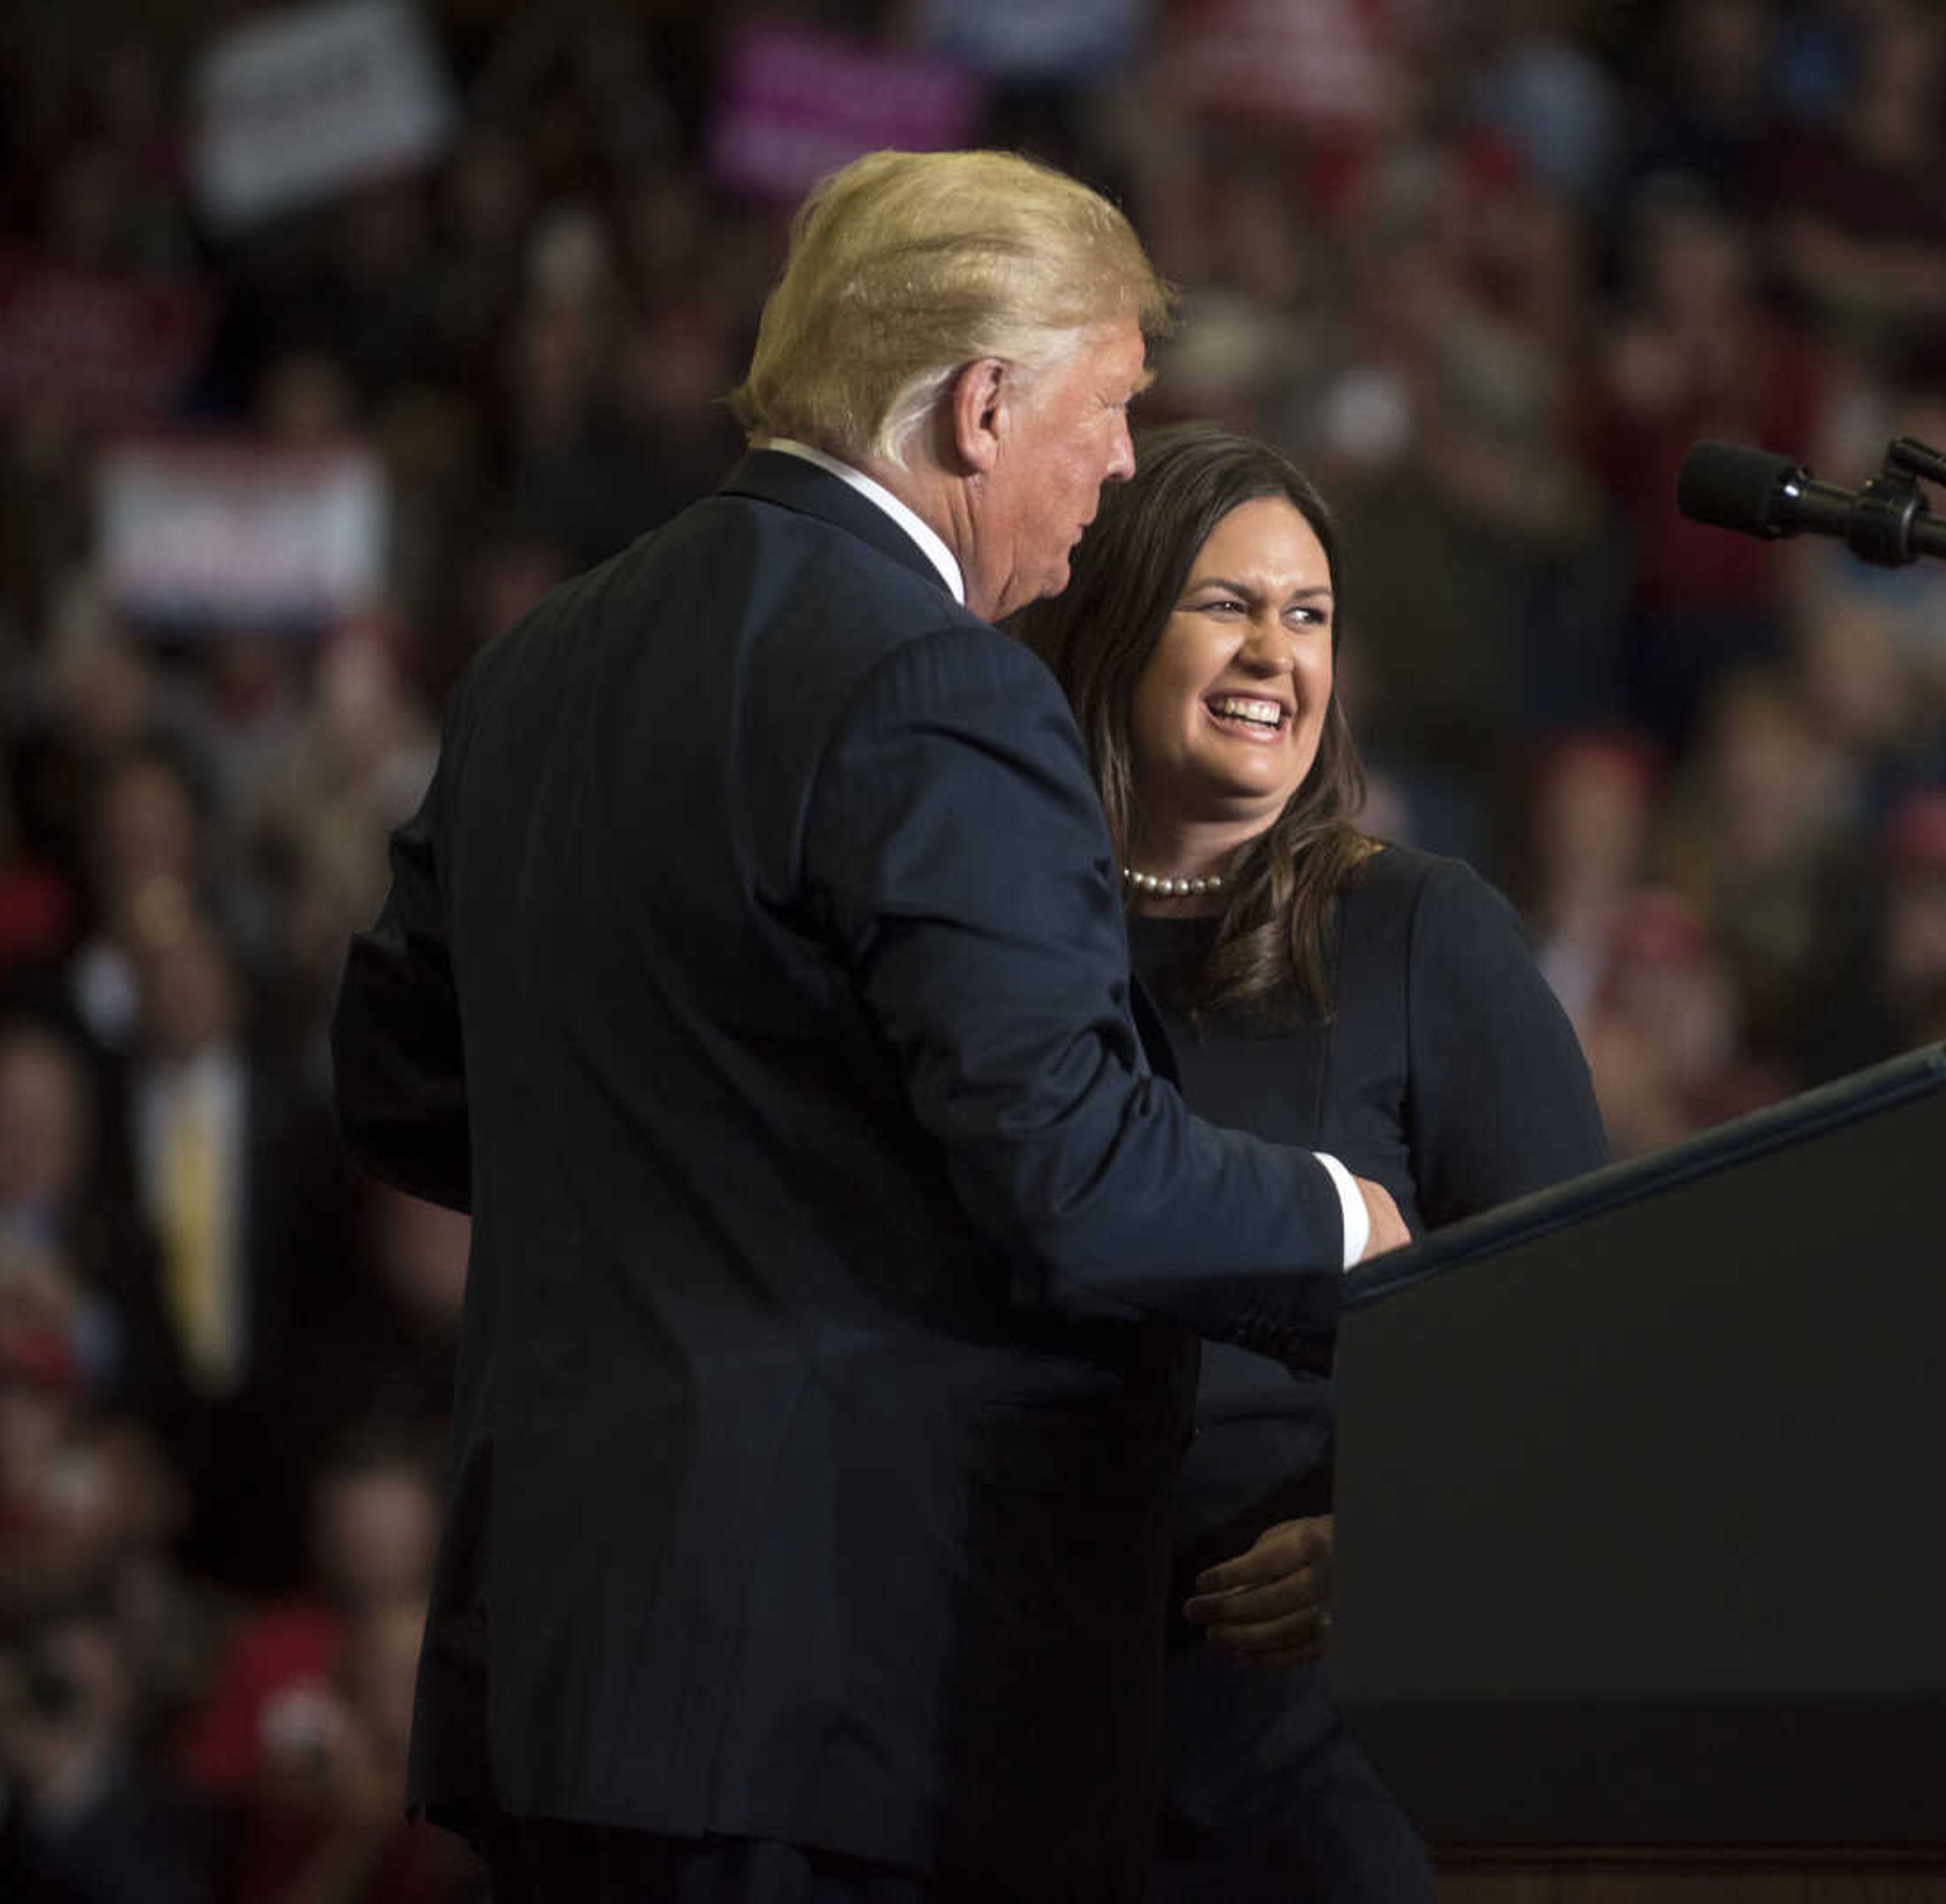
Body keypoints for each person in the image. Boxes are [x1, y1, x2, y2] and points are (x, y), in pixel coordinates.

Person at [328, 151, 1409, 1904]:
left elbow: (396, 1087)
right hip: (835, 1694)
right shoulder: (932, 683)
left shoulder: (545, 657)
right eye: (1114, 408)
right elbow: (1070, 1168)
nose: (1126, 468)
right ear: (984, 406)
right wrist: (1342, 1222)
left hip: (560, 1680)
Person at [1018, 424, 1607, 1901]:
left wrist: (1402, 1536)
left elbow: (1587, 1327)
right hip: (1001, 1717)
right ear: (1113, 620)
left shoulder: (1419, 933)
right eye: (1225, 603)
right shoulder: (999, 946)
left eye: (1309, 614)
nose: (1274, 651)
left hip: (1311, 1751)